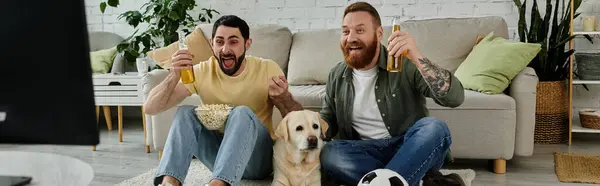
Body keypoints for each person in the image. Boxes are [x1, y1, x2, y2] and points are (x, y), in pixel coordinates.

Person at [143, 15, 303, 186]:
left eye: (233, 42)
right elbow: (150, 108)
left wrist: (284, 98)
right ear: (212, 44)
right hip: (218, 157)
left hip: (257, 161)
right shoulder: (201, 71)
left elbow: (299, 121)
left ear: (247, 44)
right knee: (185, 113)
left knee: (241, 112)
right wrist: (174, 75)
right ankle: (170, 182)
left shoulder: (267, 68)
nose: (225, 49)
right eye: (219, 42)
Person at [318, 2, 467, 186]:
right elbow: (328, 120)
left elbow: (455, 97)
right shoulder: (336, 74)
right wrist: (299, 117)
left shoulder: (404, 64)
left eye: (360, 30)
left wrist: (415, 55)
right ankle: (417, 178)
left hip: (410, 146)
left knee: (434, 128)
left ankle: (385, 179)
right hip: (365, 152)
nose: (351, 38)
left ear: (379, 34)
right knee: (330, 152)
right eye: (346, 31)